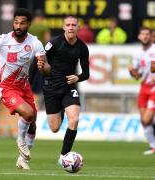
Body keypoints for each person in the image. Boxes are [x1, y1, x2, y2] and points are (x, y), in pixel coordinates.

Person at [0, 8, 48, 170]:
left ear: (29, 24)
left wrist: (43, 67)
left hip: (24, 86)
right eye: (16, 22)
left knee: (33, 123)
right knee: (28, 113)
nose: (18, 26)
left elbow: (47, 66)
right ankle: (20, 140)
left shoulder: (35, 43)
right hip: (7, 87)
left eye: (22, 23)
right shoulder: (3, 40)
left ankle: (22, 160)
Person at [43, 16, 89, 165]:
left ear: (78, 27)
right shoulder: (54, 43)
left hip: (69, 88)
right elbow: (40, 61)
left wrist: (78, 78)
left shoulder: (82, 47)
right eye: (68, 25)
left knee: (74, 119)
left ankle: (63, 156)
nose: (70, 27)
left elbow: (86, 73)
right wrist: (29, 81)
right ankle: (61, 109)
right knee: (55, 128)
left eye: (73, 25)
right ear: (63, 27)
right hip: (51, 88)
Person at [128, 27, 155, 155]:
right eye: (142, 34)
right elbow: (137, 76)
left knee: (147, 118)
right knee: (144, 121)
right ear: (139, 36)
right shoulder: (138, 54)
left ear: (151, 37)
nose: (144, 36)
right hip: (144, 87)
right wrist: (132, 72)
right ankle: (153, 146)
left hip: (154, 88)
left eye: (147, 34)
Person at [28, 9, 51, 109]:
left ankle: (28, 98)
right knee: (39, 77)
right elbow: (47, 40)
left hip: (29, 54)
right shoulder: (44, 25)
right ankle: (36, 101)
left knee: (29, 75)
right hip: (40, 54)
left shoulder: (30, 25)